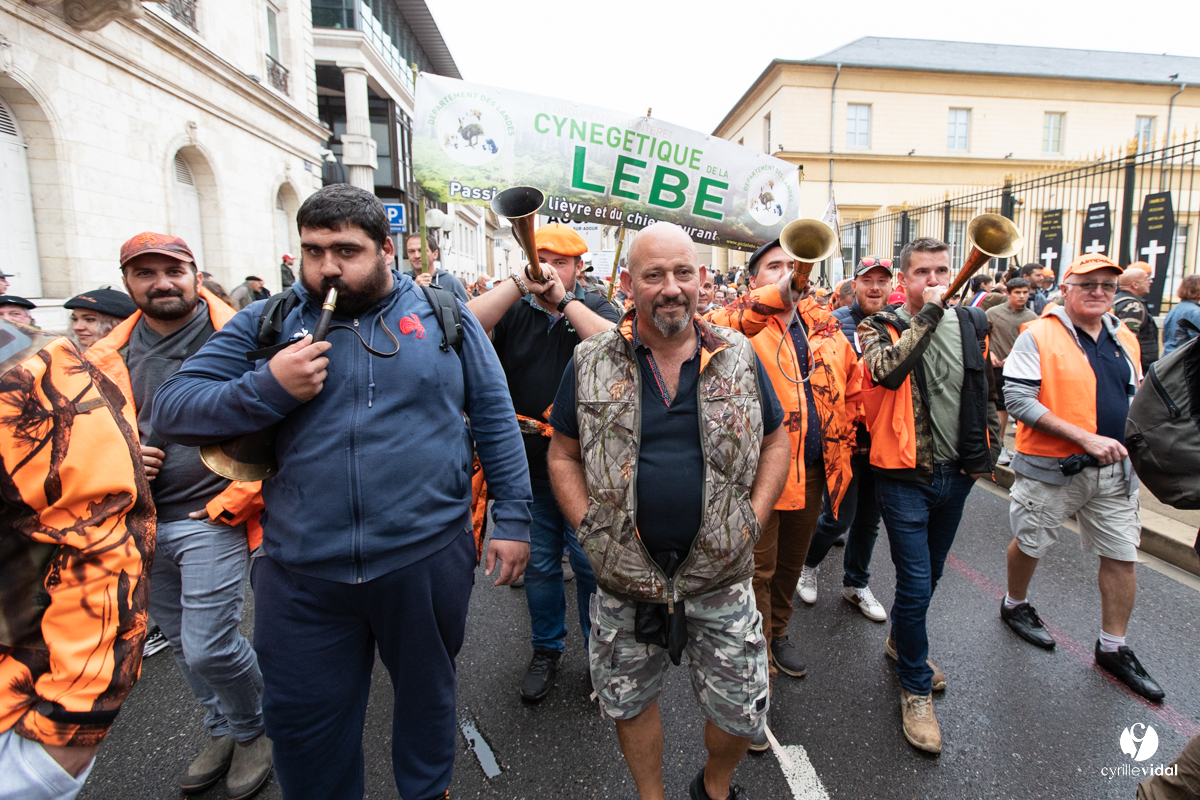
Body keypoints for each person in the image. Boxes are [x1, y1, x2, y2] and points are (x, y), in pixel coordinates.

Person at [151, 184, 532, 800]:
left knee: (427, 699)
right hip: (301, 571)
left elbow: (494, 417)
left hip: (424, 559)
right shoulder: (268, 319)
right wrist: (268, 388)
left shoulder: (445, 315)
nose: (327, 267)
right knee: (304, 728)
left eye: (346, 251)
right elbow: (172, 408)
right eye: (313, 251)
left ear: (386, 250)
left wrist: (512, 519)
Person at [546, 222, 790, 800]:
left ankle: (714, 787)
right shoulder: (589, 360)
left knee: (742, 712)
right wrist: (591, 530)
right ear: (628, 283)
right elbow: (563, 453)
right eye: (653, 275)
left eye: (682, 272)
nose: (671, 288)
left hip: (721, 575)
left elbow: (777, 440)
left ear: (702, 279)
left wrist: (752, 520)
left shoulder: (739, 355)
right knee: (628, 703)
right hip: (626, 579)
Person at [86, 232, 273, 798]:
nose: (161, 283)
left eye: (173, 270)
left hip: (210, 513)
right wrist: (117, 456)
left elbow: (278, 418)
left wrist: (236, 497)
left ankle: (256, 729)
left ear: (195, 274)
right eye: (145, 273)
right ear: (127, 283)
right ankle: (223, 727)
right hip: (136, 520)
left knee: (208, 643)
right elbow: (78, 437)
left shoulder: (243, 333)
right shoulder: (103, 354)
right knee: (181, 640)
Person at [704, 240, 860, 722]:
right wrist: (776, 298)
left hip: (812, 470)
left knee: (791, 563)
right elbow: (714, 331)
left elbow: (851, 384)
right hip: (757, 475)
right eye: (775, 266)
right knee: (757, 570)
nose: (790, 273)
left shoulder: (824, 323)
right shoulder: (735, 321)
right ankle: (756, 653)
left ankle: (779, 632)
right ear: (754, 280)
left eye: (794, 265)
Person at [0, 317, 155, 800]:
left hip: (10, 702)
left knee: (209, 647)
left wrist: (70, 728)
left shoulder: (22, 365)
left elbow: (100, 536)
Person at [999, 253, 1164, 702]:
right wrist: (1084, 438)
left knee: (1122, 554)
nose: (1098, 292)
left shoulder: (1124, 336)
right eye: (1088, 284)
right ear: (1066, 289)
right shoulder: (1038, 334)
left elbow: (1135, 396)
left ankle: (1113, 646)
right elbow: (1018, 399)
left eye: (1107, 285)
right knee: (1031, 541)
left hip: (1115, 471)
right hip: (1051, 468)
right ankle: (1015, 603)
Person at [858, 237, 999, 754]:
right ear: (904, 280)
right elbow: (886, 370)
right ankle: (915, 688)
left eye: (942, 270)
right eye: (922, 272)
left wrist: (987, 451)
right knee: (916, 583)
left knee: (933, 574)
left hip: (956, 473)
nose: (935, 280)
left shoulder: (973, 323)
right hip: (903, 475)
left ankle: (902, 643)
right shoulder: (880, 326)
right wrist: (932, 313)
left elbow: (984, 389)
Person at [467, 222, 618, 702]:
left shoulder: (595, 306)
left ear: (578, 268)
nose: (547, 267)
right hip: (527, 463)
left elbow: (616, 348)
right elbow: (464, 325)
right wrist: (515, 287)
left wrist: (563, 302)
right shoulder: (512, 306)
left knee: (590, 565)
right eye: (541, 258)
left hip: (585, 467)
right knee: (540, 566)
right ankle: (546, 649)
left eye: (560, 262)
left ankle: (599, 654)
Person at [799, 256, 894, 623]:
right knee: (839, 517)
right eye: (868, 280)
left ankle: (856, 584)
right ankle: (808, 565)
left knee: (869, 521)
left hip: (883, 441)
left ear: (891, 286)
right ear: (854, 286)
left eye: (882, 281)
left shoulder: (896, 324)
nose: (875, 287)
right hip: (843, 442)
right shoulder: (834, 324)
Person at [985, 276, 1036, 466]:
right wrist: (990, 352)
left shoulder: (1032, 317)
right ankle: (998, 446)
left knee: (1020, 407)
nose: (1022, 296)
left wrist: (1014, 355)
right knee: (999, 408)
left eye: (1025, 292)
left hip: (1020, 368)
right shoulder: (993, 313)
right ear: (1008, 293)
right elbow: (983, 335)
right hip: (996, 367)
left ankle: (1021, 447)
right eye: (1017, 292)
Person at [1113, 263, 1159, 375]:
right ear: (1135, 285)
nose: (1150, 281)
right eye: (1146, 279)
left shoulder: (1116, 300)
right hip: (1137, 367)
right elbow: (1128, 340)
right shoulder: (1133, 306)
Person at [403, 232, 470, 303]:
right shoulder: (402, 282)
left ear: (435, 254)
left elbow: (466, 308)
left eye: (422, 251)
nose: (416, 255)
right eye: (411, 251)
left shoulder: (451, 283)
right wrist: (414, 290)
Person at [64, 287, 137, 352]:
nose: (76, 327)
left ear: (118, 324)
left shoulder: (135, 359)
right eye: (74, 319)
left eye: (90, 319)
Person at [1162, 274, 1200, 355]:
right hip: (1184, 358)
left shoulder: (1175, 309)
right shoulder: (1195, 312)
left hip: (1169, 356)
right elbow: (1197, 341)